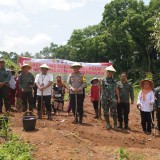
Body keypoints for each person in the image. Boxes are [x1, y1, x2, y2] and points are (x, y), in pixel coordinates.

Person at [101, 65, 120, 130]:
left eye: (111, 72)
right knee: (105, 112)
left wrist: (118, 98)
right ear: (107, 72)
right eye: (109, 72)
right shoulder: (103, 80)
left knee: (114, 112)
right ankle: (108, 124)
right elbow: (100, 88)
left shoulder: (114, 81)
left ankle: (115, 124)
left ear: (113, 73)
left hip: (112, 98)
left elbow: (116, 89)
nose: (110, 73)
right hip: (104, 98)